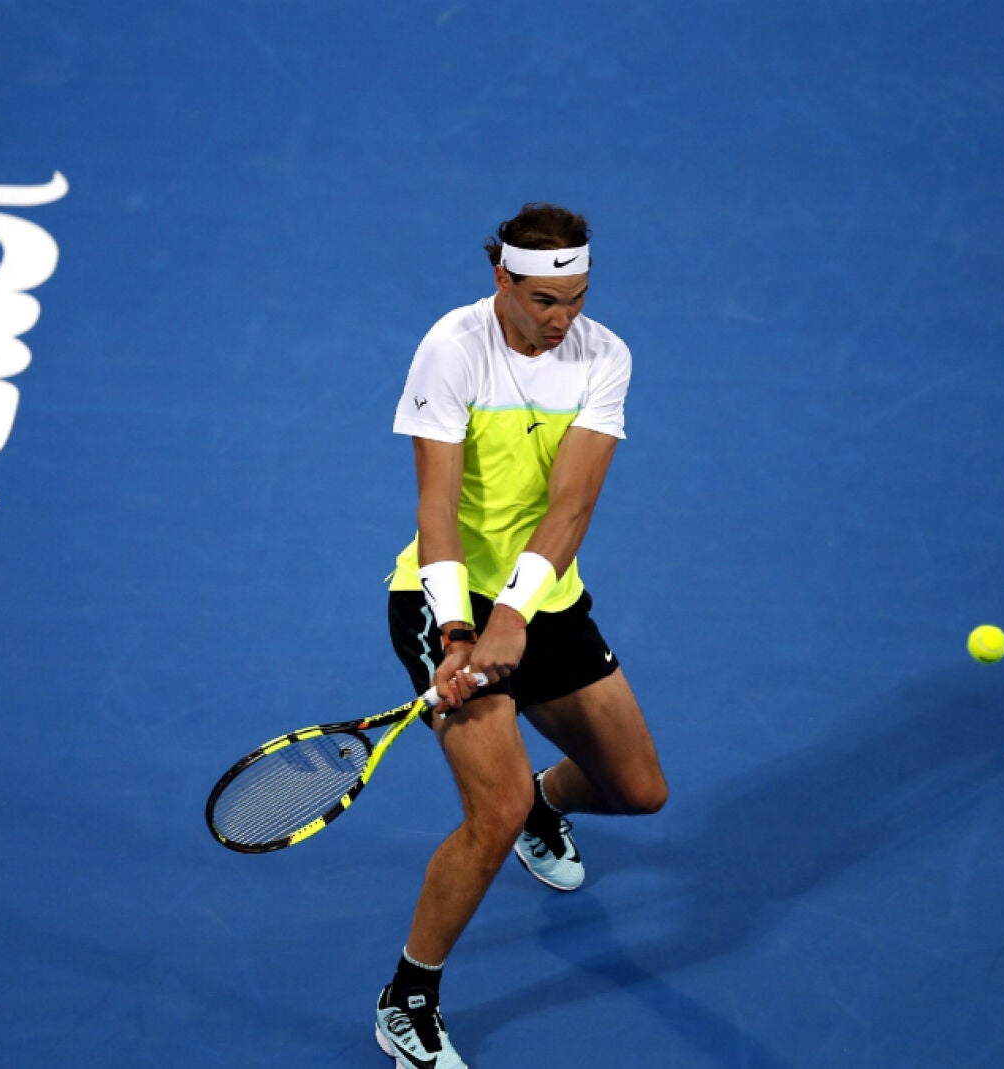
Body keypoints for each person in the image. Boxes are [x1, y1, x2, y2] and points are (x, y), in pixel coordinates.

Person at [374, 203, 670, 1068]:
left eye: (576, 298)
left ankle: (552, 798)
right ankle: (408, 998)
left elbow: (571, 504)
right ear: (501, 279)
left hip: (543, 599)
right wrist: (463, 627)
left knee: (640, 789)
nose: (562, 319)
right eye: (544, 301)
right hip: (445, 593)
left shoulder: (604, 355)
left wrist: (517, 613)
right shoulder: (452, 348)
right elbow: (435, 510)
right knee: (492, 811)